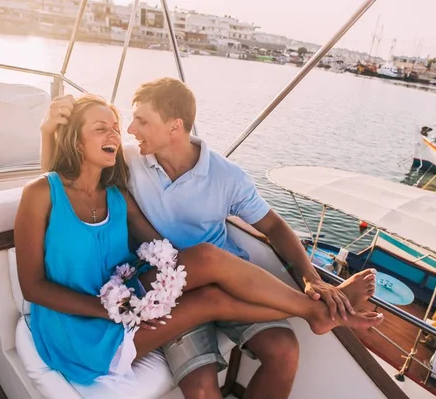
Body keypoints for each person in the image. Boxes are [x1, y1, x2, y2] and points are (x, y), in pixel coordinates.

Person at [39, 84, 378, 398]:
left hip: (230, 278)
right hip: (168, 284)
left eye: (141, 120)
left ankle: (315, 309)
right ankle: (316, 313)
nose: (130, 130)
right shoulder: (127, 159)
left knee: (285, 351)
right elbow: (65, 184)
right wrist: (50, 131)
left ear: (175, 126)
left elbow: (275, 227)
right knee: (202, 391)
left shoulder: (227, 176)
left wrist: (311, 278)